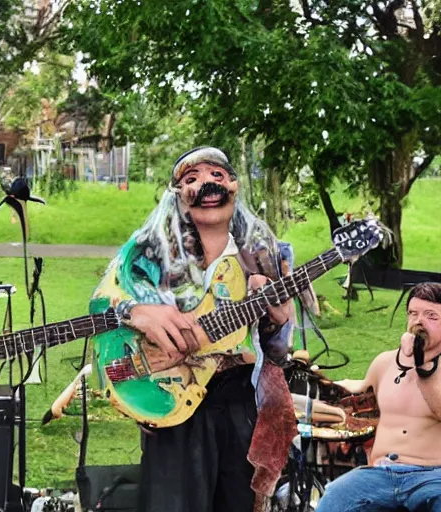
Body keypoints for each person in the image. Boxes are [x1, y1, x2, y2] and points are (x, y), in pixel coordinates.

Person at [89, 146, 300, 511]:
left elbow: (277, 352)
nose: (207, 184)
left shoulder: (261, 253)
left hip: (239, 403)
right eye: (192, 179)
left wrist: (279, 321)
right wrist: (137, 310)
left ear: (233, 185)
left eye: (217, 176)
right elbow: (102, 301)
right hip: (173, 399)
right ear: (179, 197)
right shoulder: (149, 253)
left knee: (238, 501)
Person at [318, 282, 441, 511]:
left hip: (432, 475)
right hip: (381, 474)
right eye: (413, 314)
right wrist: (322, 383)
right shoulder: (385, 362)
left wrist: (420, 363)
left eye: (431, 316)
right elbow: (359, 391)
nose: (418, 321)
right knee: (335, 498)